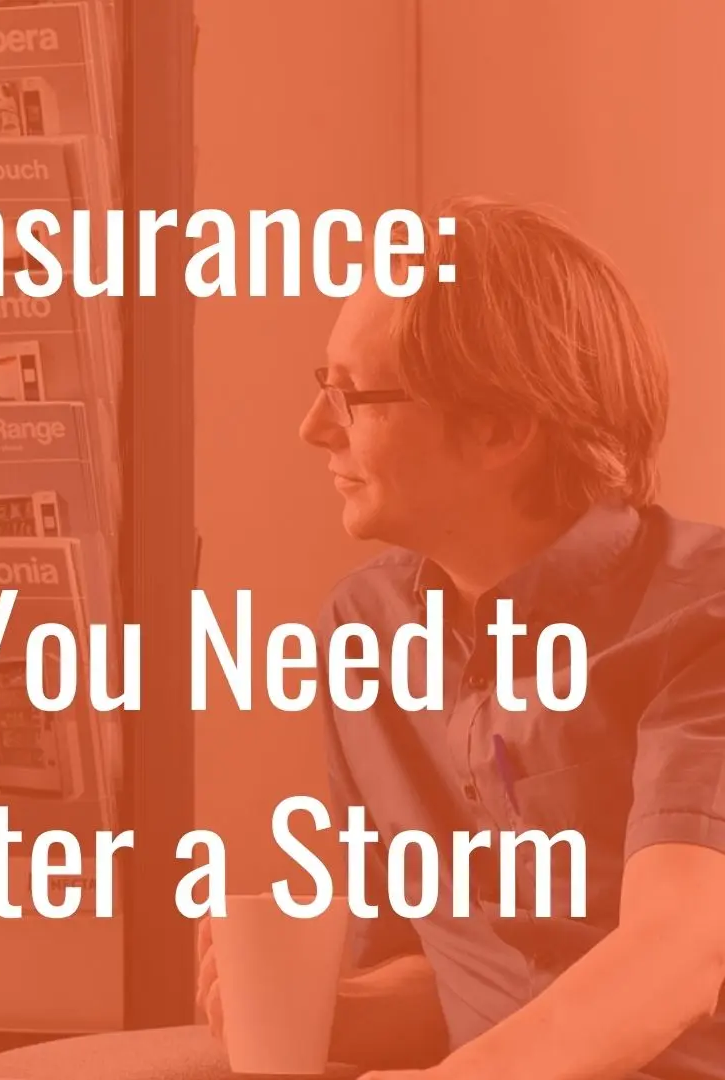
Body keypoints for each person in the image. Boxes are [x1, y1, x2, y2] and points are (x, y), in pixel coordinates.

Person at [199, 198, 725, 1080]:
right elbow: (458, 976)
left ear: (501, 429)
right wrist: (320, 1008)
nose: (315, 429)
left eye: (351, 395)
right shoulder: (361, 633)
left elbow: (679, 951)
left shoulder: (699, 614)